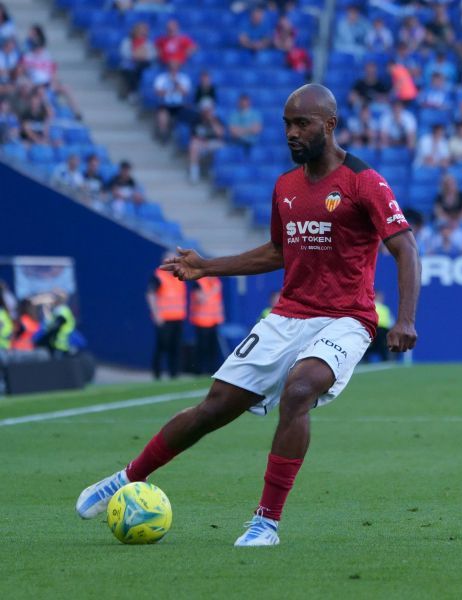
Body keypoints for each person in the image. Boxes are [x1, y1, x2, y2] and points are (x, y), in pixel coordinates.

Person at [75, 84, 421, 548]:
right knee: (213, 409)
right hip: (287, 316)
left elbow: (405, 247)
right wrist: (206, 267)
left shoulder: (365, 182)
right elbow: (278, 251)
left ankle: (266, 522)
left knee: (299, 390)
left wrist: (404, 319)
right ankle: (126, 478)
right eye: (287, 125)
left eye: (303, 124)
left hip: (345, 318)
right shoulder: (286, 187)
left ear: (330, 124)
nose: (292, 133)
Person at [147, 254, 187, 379]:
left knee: (176, 348)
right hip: (164, 319)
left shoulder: (177, 277)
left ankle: (174, 374)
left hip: (178, 318)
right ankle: (157, 374)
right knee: (162, 347)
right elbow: (150, 295)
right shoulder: (158, 276)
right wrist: (157, 314)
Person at [190, 276, 224, 375]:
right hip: (201, 321)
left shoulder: (216, 282)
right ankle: (198, 371)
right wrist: (213, 291)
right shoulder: (199, 283)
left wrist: (220, 316)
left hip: (214, 321)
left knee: (213, 348)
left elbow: (218, 301)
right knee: (201, 348)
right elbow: (200, 299)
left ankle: (212, 370)